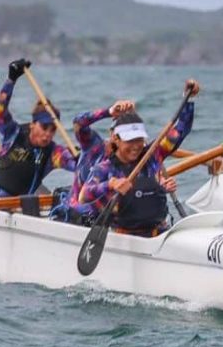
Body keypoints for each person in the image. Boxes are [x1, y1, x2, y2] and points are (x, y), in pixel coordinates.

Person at [79, 79, 199, 237]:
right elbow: (84, 196)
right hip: (124, 237)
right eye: (130, 140)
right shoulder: (104, 168)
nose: (136, 146)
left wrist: (188, 98)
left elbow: (181, 129)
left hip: (159, 234)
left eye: (139, 139)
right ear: (116, 139)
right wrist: (111, 184)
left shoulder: (152, 156)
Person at [0, 58, 76, 198]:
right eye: (44, 127)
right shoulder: (13, 133)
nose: (48, 134)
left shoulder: (53, 153)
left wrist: (82, 159)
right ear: (33, 124)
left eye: (53, 129)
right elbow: (2, 108)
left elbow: (75, 165)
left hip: (15, 207)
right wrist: (11, 79)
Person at [50, 99, 135, 224]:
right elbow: (79, 123)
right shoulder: (93, 145)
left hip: (110, 221)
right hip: (76, 217)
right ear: (113, 135)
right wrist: (109, 112)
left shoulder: (135, 157)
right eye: (122, 135)